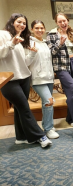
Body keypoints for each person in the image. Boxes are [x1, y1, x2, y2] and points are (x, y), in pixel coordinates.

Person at [0, 13, 52, 148]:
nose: (22, 25)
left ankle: (21, 137)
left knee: (19, 109)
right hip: (8, 80)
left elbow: (23, 62)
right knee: (24, 107)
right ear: (12, 22)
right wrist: (11, 43)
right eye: (19, 22)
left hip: (23, 78)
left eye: (24, 23)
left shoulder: (22, 38)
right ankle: (40, 136)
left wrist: (33, 53)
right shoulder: (3, 34)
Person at [46, 13, 73, 127]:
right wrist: (60, 44)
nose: (63, 23)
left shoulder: (71, 34)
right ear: (56, 23)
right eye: (60, 22)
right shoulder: (51, 35)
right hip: (60, 66)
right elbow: (51, 53)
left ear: (67, 21)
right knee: (72, 87)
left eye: (64, 21)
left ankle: (71, 118)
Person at [28, 20, 59, 139]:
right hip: (37, 78)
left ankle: (46, 125)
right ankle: (49, 129)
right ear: (32, 30)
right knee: (49, 101)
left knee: (46, 103)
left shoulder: (46, 43)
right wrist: (31, 53)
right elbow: (27, 62)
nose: (39, 30)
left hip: (49, 77)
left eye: (41, 28)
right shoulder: (29, 43)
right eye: (36, 28)